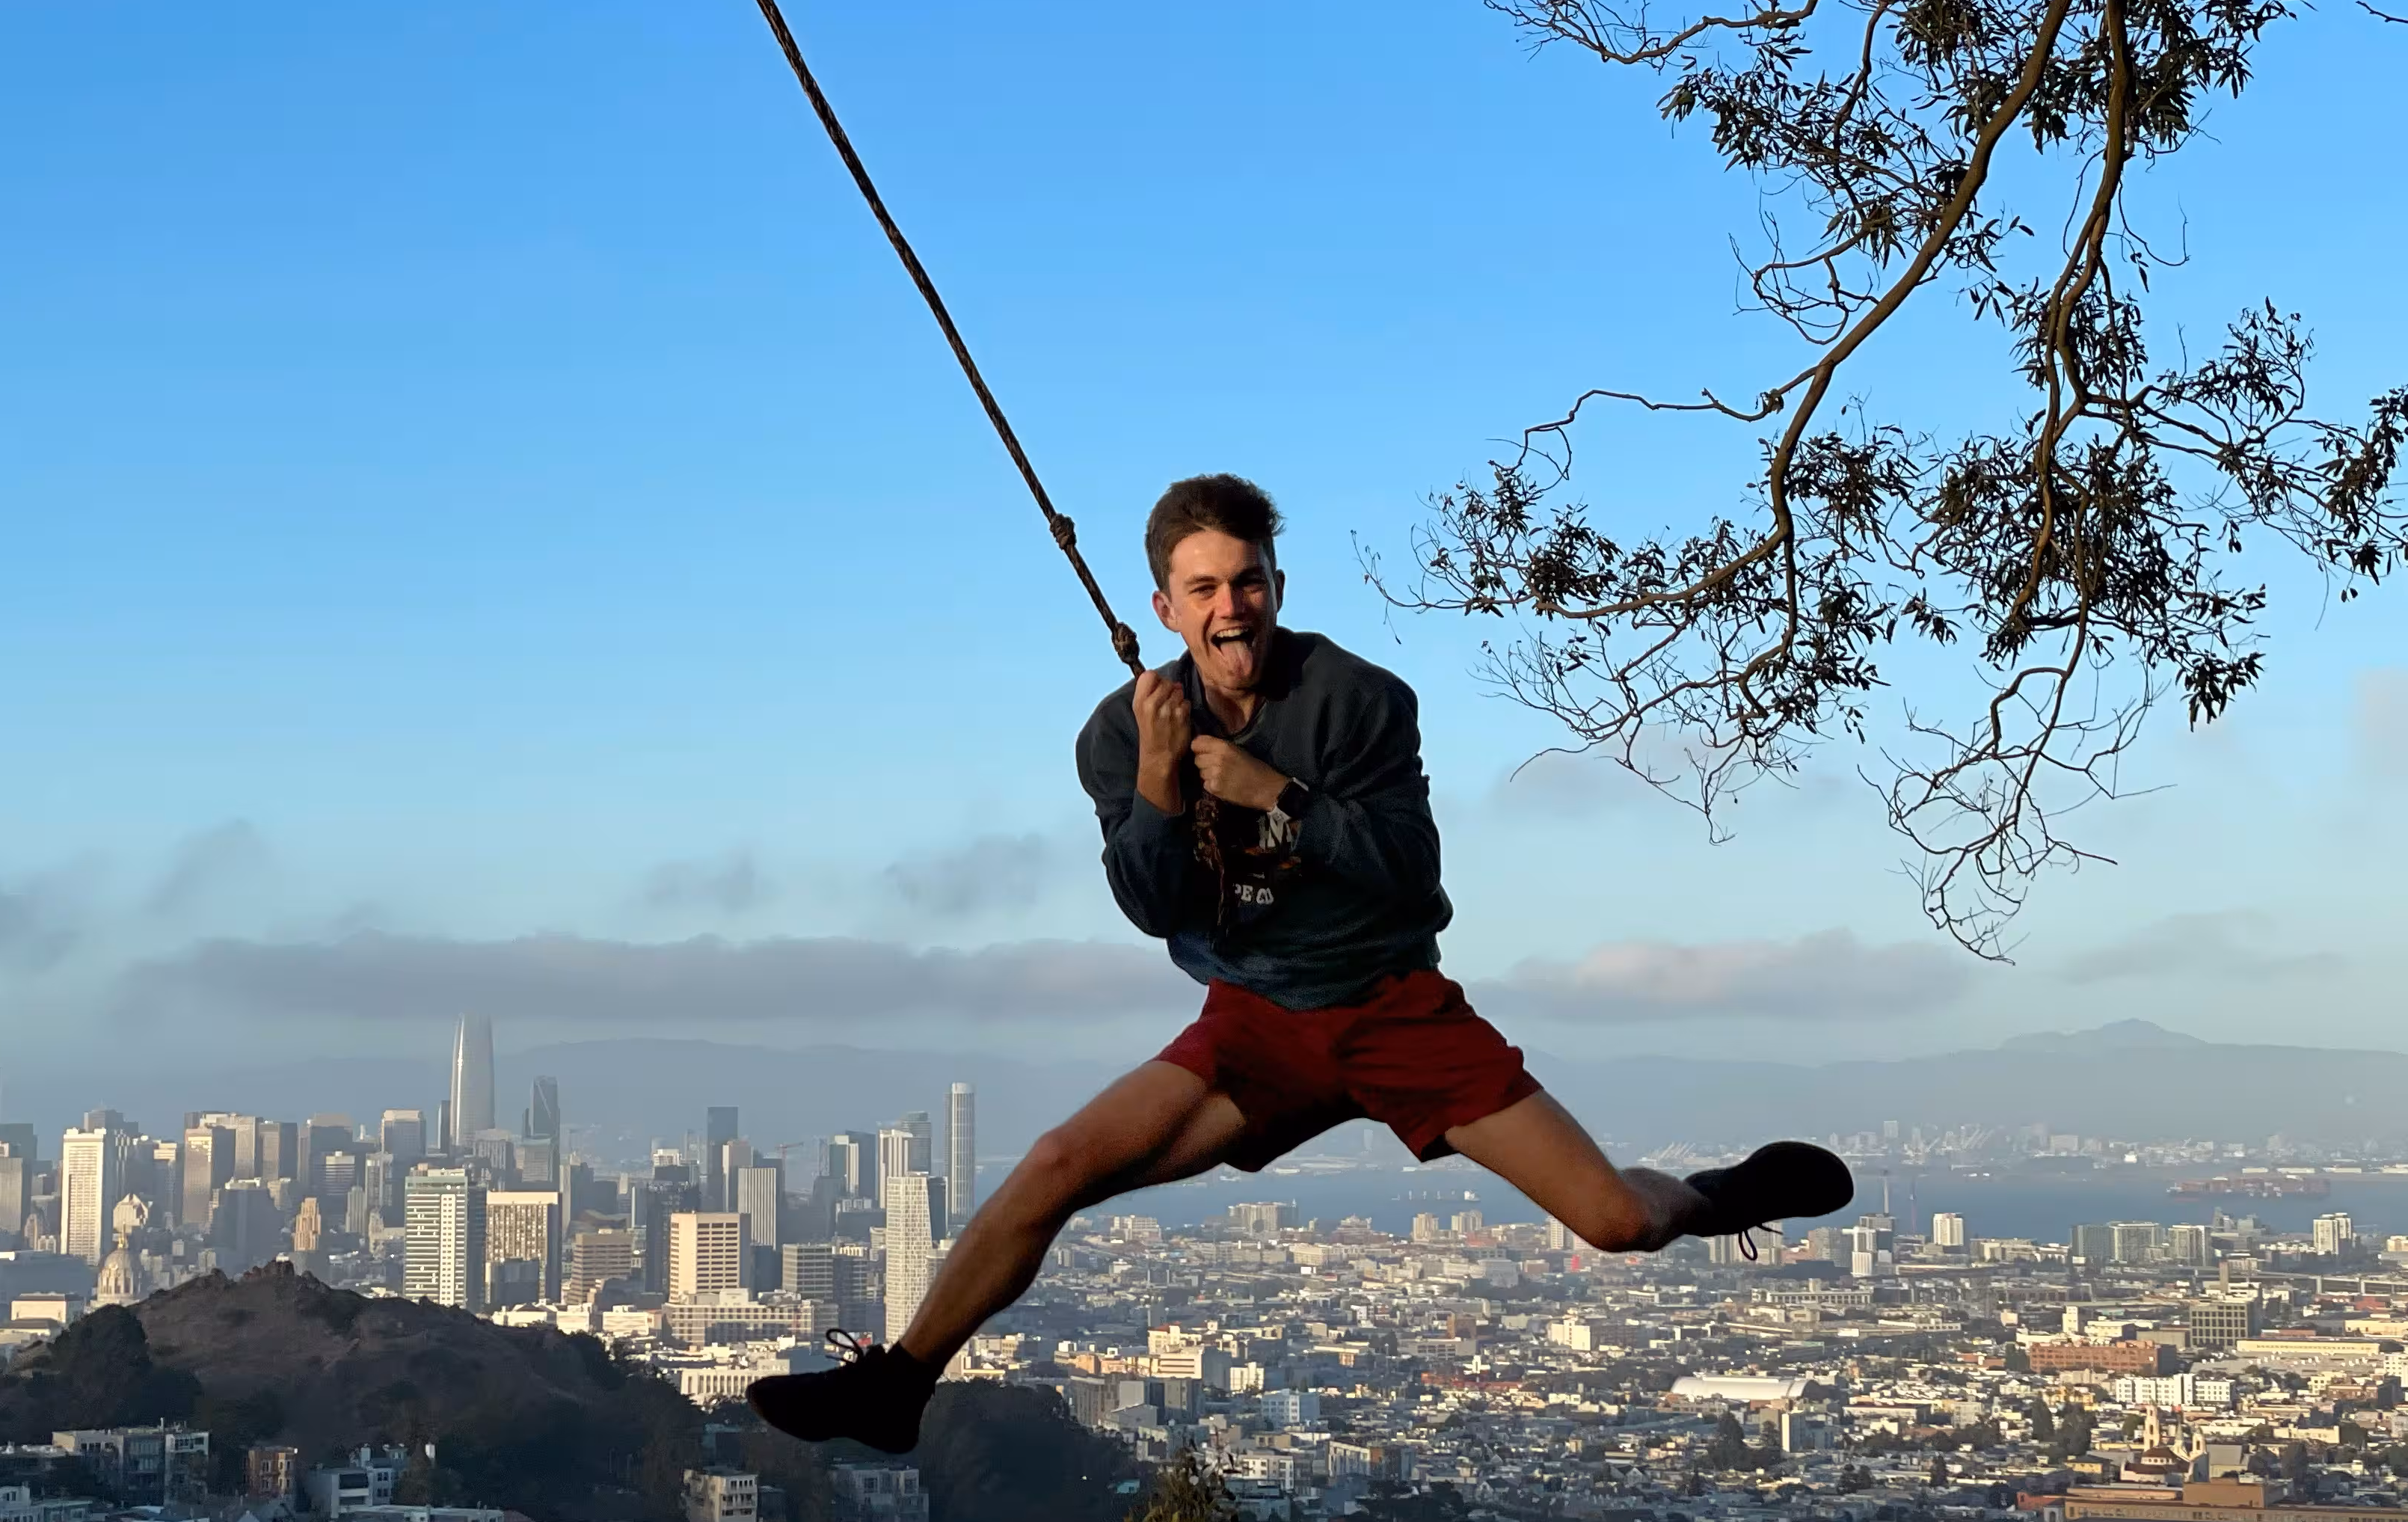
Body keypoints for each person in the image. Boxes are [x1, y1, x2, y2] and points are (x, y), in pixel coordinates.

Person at [749, 472, 1853, 1455]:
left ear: (1277, 583)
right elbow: (1149, 905)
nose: (1232, 607)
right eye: (1205, 589)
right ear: (1165, 608)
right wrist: (1162, 782)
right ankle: (899, 1385)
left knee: (1614, 1223)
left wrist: (1274, 796)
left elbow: (1412, 875)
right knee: (1054, 1165)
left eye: (1249, 581)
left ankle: (1722, 1196)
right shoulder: (1121, 732)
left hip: (1394, 1007)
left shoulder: (1358, 702)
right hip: (1256, 1022)